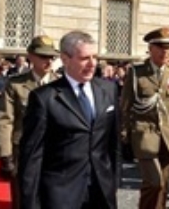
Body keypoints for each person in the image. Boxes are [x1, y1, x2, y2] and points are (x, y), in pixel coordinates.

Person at [18, 30, 120, 209]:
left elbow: (113, 144)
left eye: (95, 57)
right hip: (61, 195)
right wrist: (30, 203)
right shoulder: (44, 98)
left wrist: (113, 181)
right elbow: (32, 157)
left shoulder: (108, 90)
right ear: (65, 59)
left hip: (101, 192)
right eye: (84, 58)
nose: (92, 64)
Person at [120, 27, 169, 209]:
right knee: (154, 182)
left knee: (163, 186)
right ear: (151, 48)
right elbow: (126, 105)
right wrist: (124, 132)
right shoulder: (137, 72)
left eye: (168, 47)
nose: (165, 51)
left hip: (168, 135)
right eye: (161, 47)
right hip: (144, 134)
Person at [0, 35, 59, 209]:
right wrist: (5, 155)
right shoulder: (15, 84)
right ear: (30, 56)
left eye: (51, 57)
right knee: (23, 200)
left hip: (54, 153)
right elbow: (5, 120)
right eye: (43, 56)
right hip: (23, 152)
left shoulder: (60, 84)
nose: (48, 61)